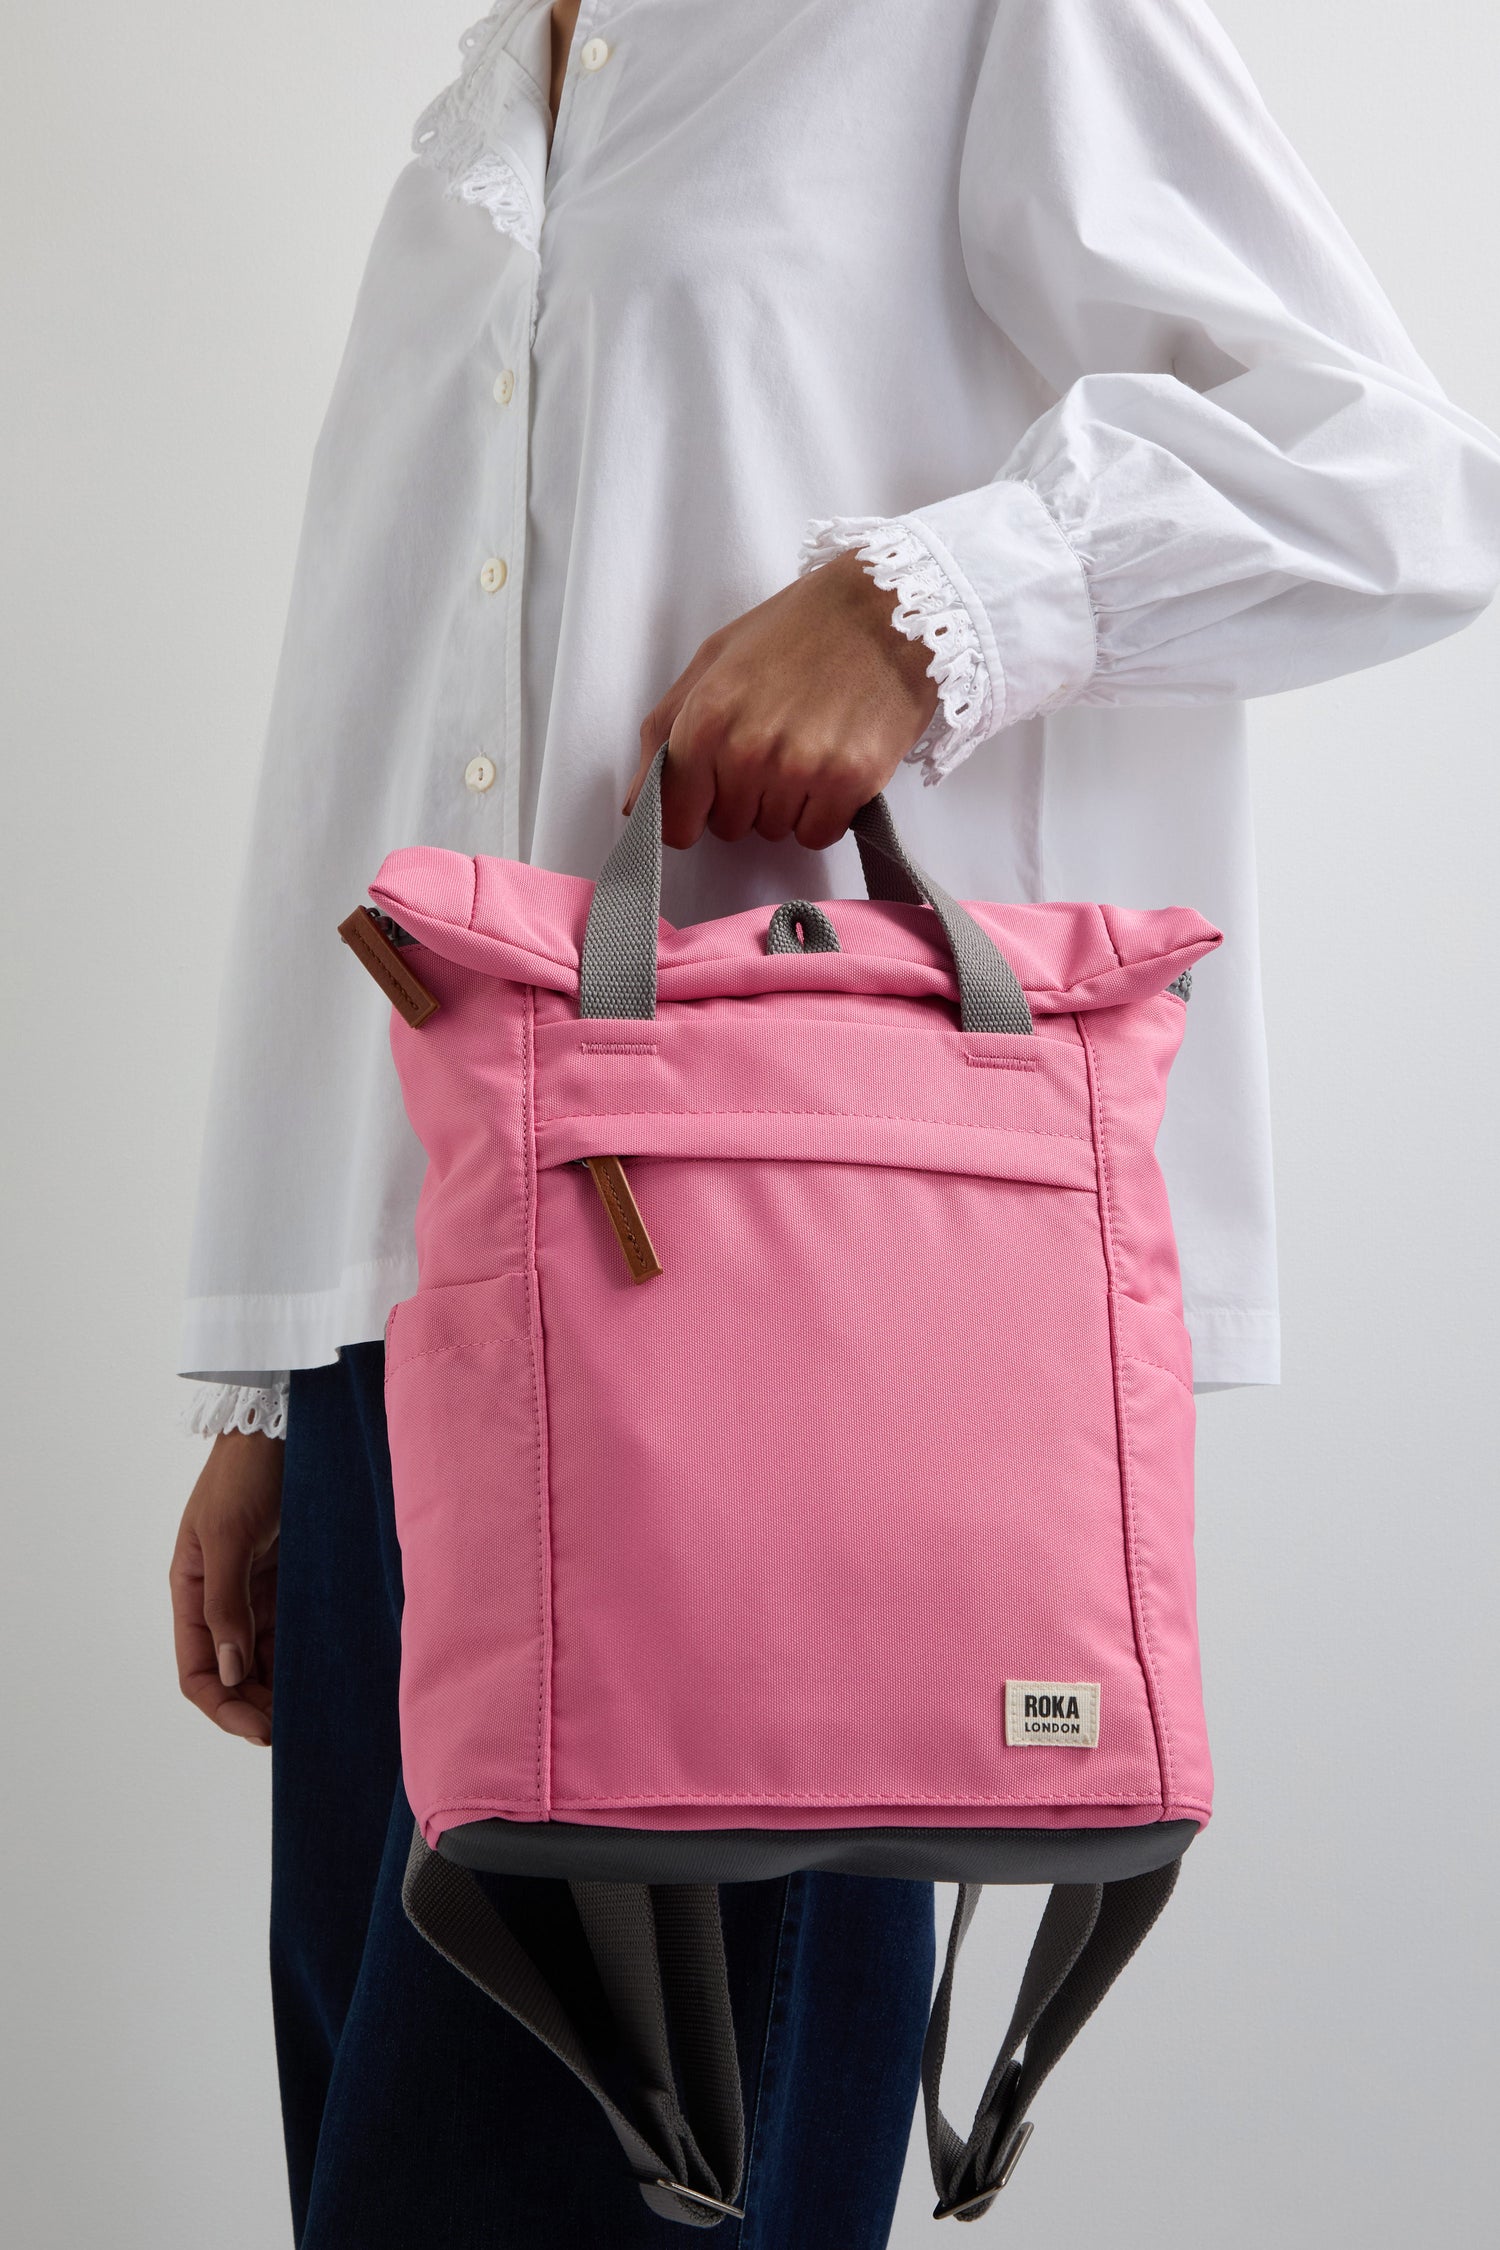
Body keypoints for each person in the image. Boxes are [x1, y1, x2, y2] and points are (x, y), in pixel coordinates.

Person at [169, 4, 1500, 2244]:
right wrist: (283, 1378)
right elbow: (381, 723)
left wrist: (932, 602)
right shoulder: (502, 81)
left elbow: (1395, 477)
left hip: (783, 1326)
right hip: (428, 1317)